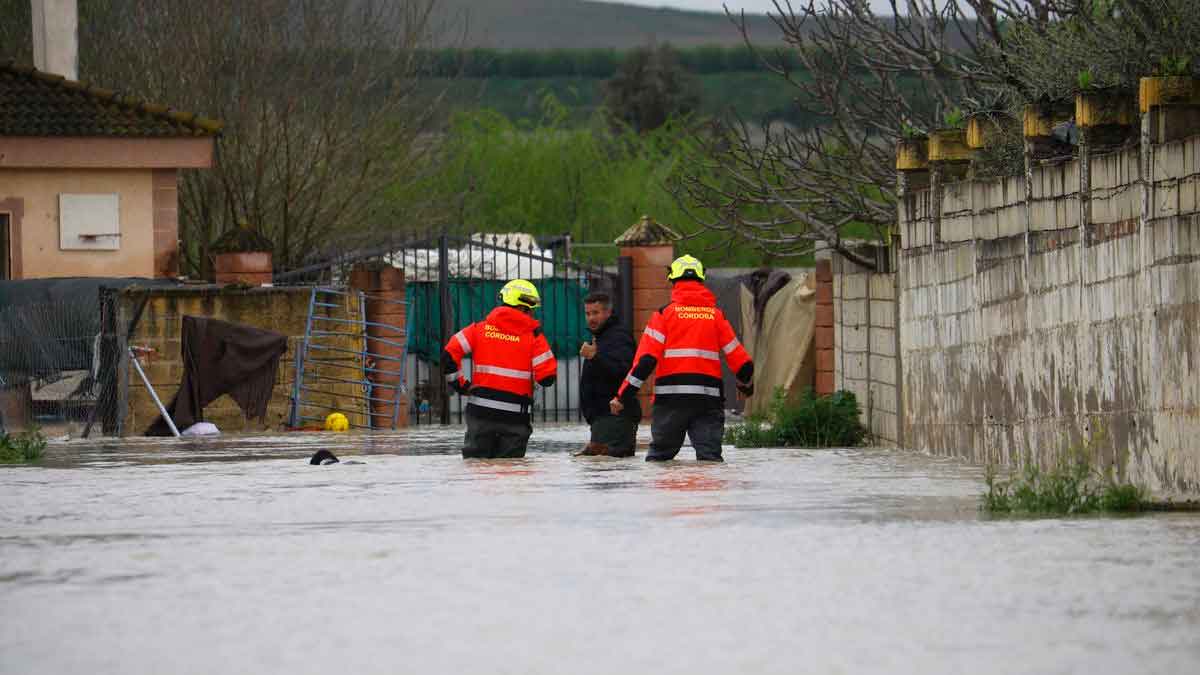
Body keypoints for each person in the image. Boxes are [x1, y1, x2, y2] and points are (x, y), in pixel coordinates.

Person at [610, 255, 753, 462]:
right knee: (710, 461)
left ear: (673, 281)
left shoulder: (663, 315)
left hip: (670, 401)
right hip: (707, 401)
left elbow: (645, 363)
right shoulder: (716, 316)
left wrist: (622, 395)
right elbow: (743, 364)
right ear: (701, 280)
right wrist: (746, 387)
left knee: (660, 460)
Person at [443, 279, 558, 458]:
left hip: (480, 415)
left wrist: (461, 385)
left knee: (476, 472)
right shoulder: (533, 337)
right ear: (522, 307)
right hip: (515, 419)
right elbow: (547, 378)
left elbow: (448, 355)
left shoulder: (479, 330)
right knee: (513, 477)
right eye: (530, 310)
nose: (532, 315)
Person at [576, 292, 640, 457]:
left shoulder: (618, 337)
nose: (591, 318)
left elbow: (625, 372)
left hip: (614, 418)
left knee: (606, 469)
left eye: (596, 313)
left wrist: (595, 357)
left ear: (608, 313)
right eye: (588, 313)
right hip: (603, 419)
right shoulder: (602, 337)